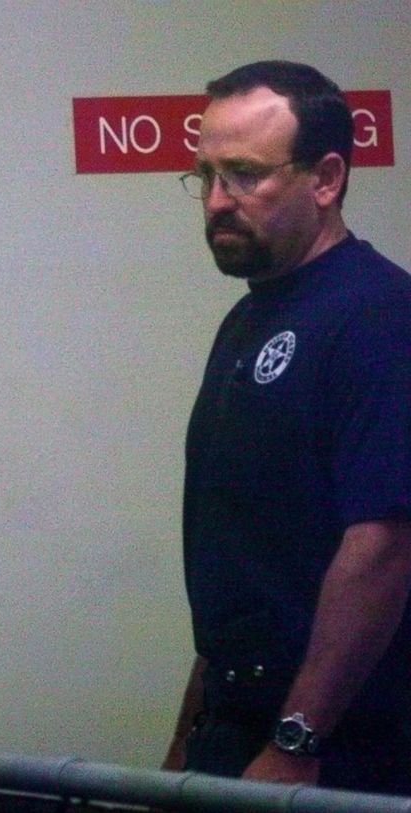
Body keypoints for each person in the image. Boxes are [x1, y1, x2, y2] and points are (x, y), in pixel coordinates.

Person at [163, 60, 411, 794]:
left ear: (326, 178)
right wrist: (188, 737)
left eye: (243, 175)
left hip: (340, 748)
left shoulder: (379, 316)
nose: (216, 201)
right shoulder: (246, 321)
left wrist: (299, 738)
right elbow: (240, 555)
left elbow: (385, 544)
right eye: (204, 176)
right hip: (235, 732)